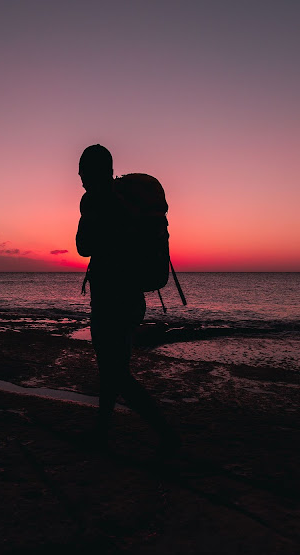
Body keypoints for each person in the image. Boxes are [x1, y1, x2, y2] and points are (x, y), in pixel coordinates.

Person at [76, 144, 178, 450]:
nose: (80, 178)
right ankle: (102, 432)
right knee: (112, 369)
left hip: (110, 299)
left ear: (95, 172)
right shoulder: (128, 203)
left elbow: (83, 246)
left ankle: (166, 433)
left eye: (83, 171)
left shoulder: (97, 200)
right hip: (132, 299)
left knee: (115, 373)